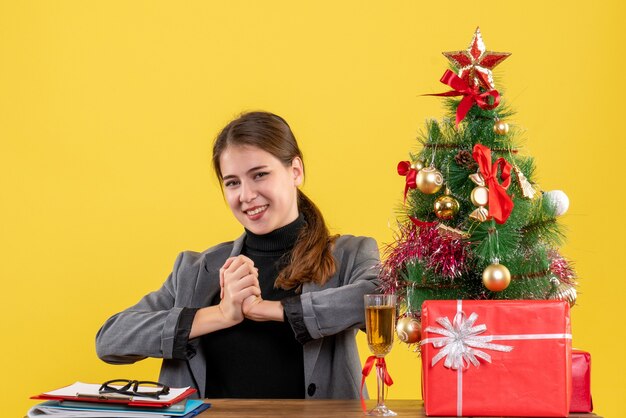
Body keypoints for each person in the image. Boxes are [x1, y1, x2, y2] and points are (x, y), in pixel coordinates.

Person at [95, 111, 380, 399]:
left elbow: (382, 298)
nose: (246, 195)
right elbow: (110, 340)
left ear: (296, 170)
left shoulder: (349, 255)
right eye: (232, 182)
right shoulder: (195, 269)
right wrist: (219, 314)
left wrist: (275, 310)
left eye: (260, 175)